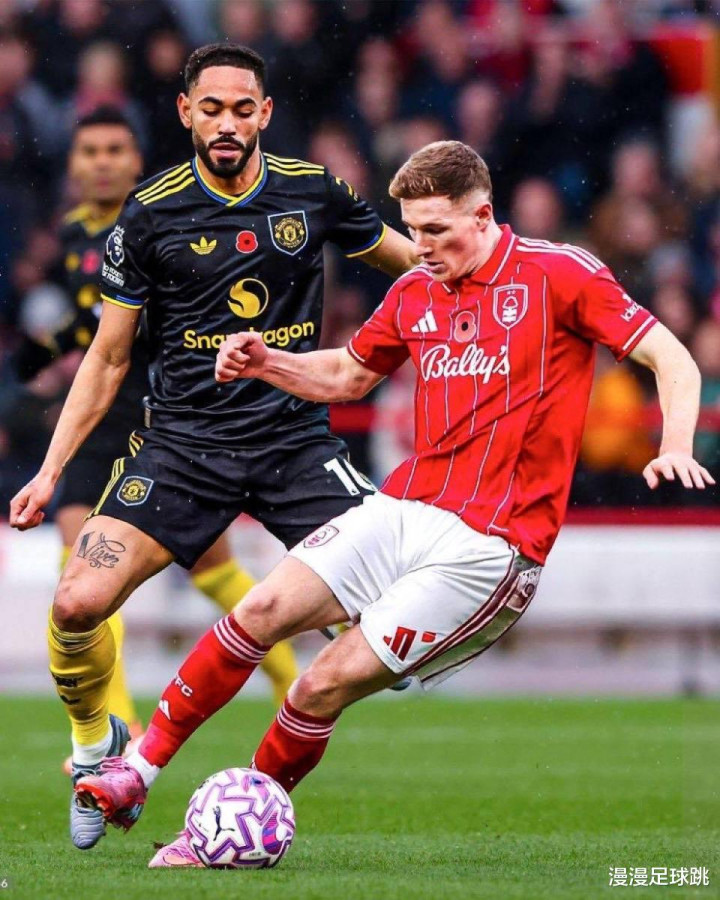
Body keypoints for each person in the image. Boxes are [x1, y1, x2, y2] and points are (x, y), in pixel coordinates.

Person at [71, 140, 714, 867]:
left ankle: (227, 829)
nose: (421, 247)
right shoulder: (415, 291)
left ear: (483, 215)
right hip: (403, 509)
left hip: (491, 546)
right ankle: (136, 772)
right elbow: (349, 375)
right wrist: (269, 362)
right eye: (412, 229)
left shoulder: (559, 274)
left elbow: (671, 356)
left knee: (319, 685)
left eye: (437, 229)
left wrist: (676, 443)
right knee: (258, 611)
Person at [9, 44, 417, 851]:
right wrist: (50, 470)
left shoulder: (313, 191)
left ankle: (285, 724)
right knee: (75, 603)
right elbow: (108, 357)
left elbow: (416, 269)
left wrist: (496, 288)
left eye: (241, 109)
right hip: (183, 449)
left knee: (398, 619)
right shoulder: (149, 214)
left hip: (296, 444)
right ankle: (96, 743)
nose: (226, 123)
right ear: (186, 113)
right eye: (211, 108)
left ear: (264, 113)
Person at [13, 105, 300, 778]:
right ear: (74, 164)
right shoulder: (73, 236)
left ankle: (290, 682)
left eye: (115, 149)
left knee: (215, 572)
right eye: (89, 151)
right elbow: (87, 327)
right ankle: (122, 725)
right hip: (98, 420)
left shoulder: (165, 218)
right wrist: (40, 356)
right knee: (81, 568)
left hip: (163, 417)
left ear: (137, 161)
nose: (102, 162)